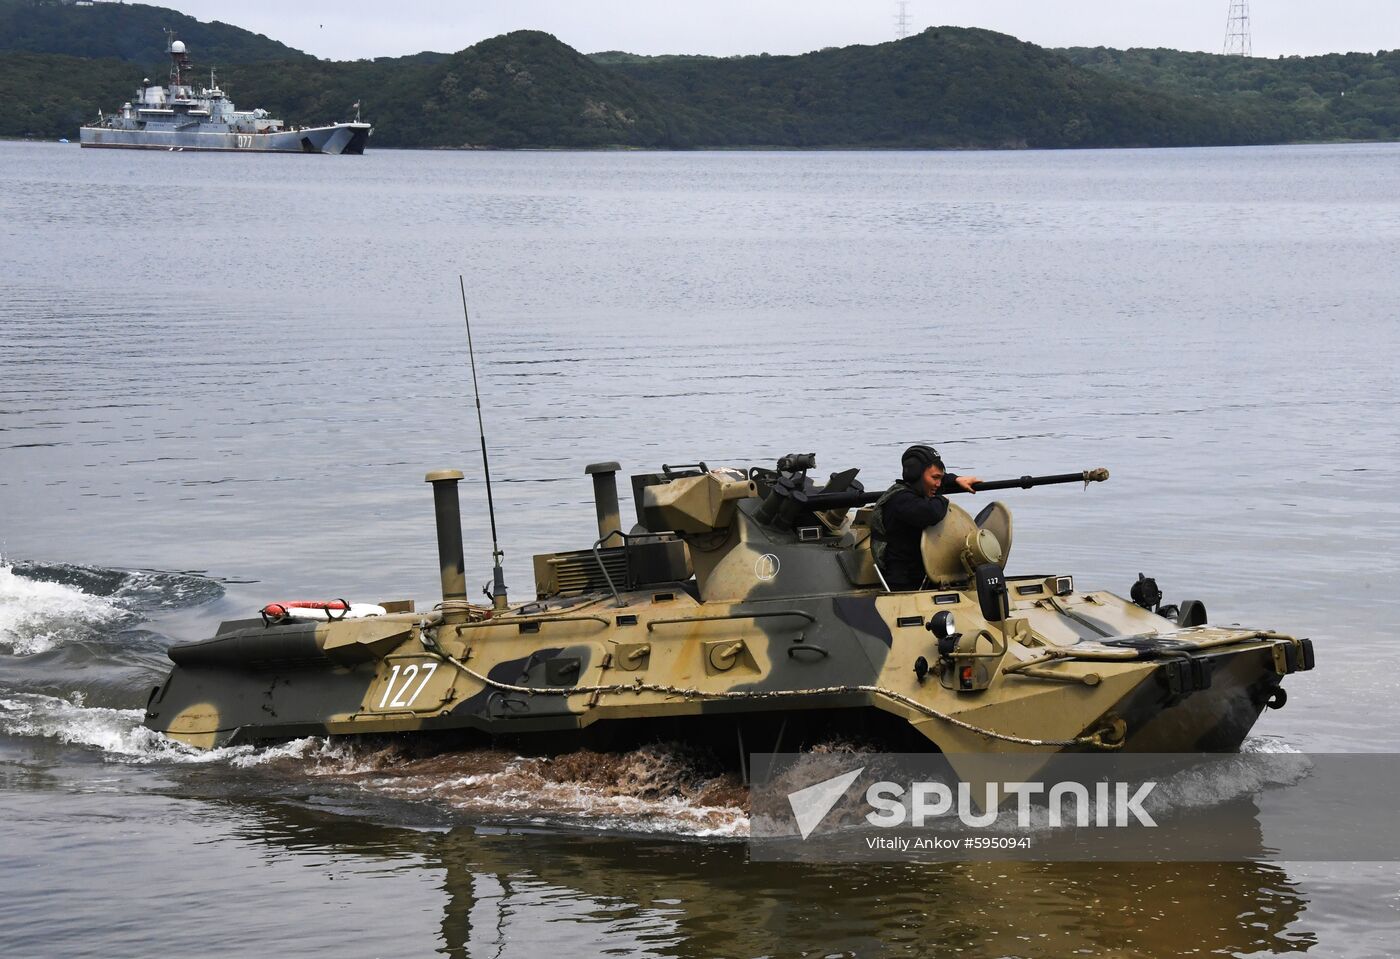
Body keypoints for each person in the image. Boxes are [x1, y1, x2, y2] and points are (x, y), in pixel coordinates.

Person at [869, 445, 980, 591]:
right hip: (903, 582)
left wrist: (956, 480)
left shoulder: (917, 491)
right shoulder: (901, 500)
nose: (938, 484)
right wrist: (942, 499)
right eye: (935, 478)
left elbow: (939, 481)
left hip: (920, 574)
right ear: (915, 475)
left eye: (940, 478)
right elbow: (931, 513)